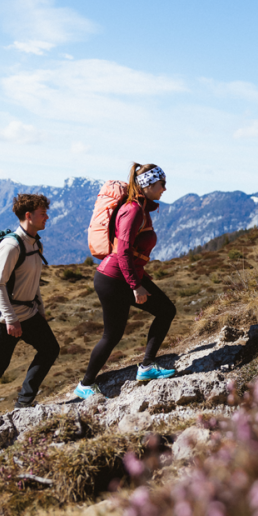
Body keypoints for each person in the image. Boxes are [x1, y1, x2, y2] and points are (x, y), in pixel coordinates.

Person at [75, 163, 177, 399]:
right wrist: (135, 285)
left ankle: (147, 366)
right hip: (114, 279)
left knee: (164, 311)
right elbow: (123, 252)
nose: (164, 189)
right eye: (162, 184)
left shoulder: (141, 209)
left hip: (121, 276)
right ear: (149, 185)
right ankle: (86, 385)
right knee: (113, 334)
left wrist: (140, 279)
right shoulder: (133, 211)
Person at [0, 193, 59, 420]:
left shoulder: (35, 243)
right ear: (28, 216)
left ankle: (24, 401)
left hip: (27, 313)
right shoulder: (11, 246)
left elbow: (33, 281)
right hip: (2, 317)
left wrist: (40, 310)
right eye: (42, 213)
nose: (47, 217)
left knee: (50, 349)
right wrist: (11, 319)